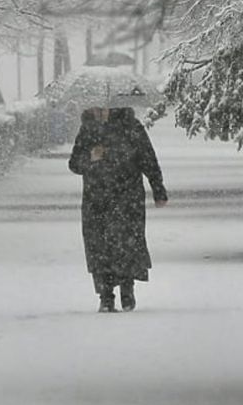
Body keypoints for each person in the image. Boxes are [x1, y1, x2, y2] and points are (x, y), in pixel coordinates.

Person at [68, 105, 168, 313]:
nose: (98, 111)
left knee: (126, 243)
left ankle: (126, 289)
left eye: (102, 108)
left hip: (127, 196)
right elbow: (74, 164)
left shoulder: (131, 127)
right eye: (95, 107)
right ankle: (106, 296)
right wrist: (91, 158)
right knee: (99, 246)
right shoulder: (87, 129)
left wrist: (158, 189)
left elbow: (148, 158)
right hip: (96, 199)